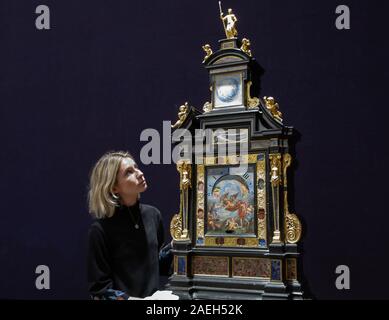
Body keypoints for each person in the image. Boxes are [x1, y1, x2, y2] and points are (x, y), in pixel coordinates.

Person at [86, 151, 176, 300]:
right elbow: (100, 290)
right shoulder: (100, 230)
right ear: (114, 188)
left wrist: (176, 245)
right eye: (129, 172)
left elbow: (157, 265)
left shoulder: (153, 215)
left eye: (136, 167)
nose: (139, 173)